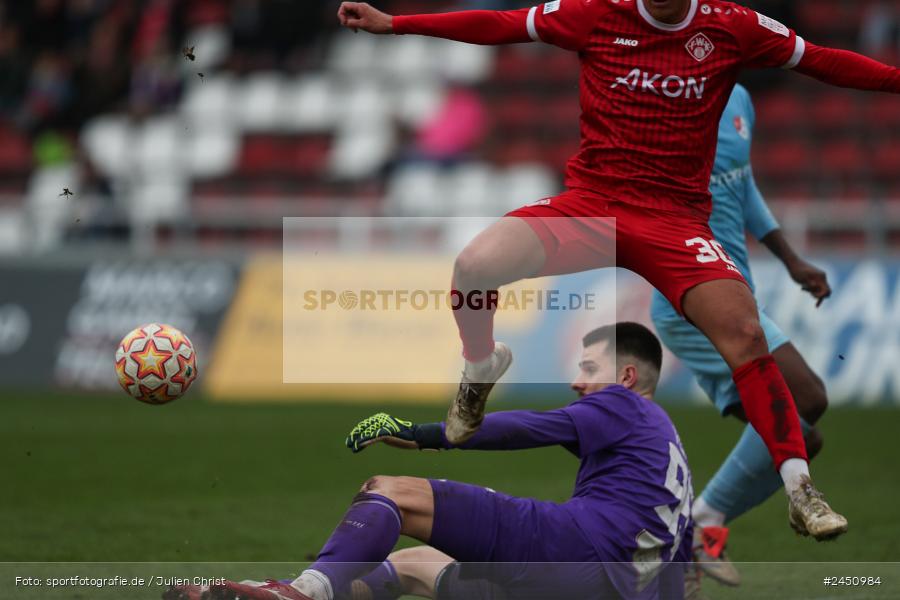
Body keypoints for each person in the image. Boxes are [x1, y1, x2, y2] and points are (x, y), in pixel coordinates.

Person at [334, 0, 900, 539]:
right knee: (474, 265)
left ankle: (802, 491)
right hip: (591, 207)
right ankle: (480, 365)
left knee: (748, 335)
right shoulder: (596, 14)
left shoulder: (733, 26)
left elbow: (821, 60)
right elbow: (500, 24)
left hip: (674, 222)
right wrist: (396, 24)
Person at [166, 323, 695, 600]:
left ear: (626, 377)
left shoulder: (624, 404)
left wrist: (426, 434)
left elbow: (531, 427)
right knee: (413, 565)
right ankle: (260, 594)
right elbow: (682, 568)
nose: (577, 381)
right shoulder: (670, 456)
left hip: (569, 553)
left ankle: (299, 594)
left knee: (393, 493)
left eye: (588, 368)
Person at [649, 84, 831, 587]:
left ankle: (693, 534)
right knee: (808, 398)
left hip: (736, 296)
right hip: (690, 298)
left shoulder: (739, 98)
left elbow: (742, 186)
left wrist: (791, 261)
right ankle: (702, 519)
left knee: (803, 437)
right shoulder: (664, 99)